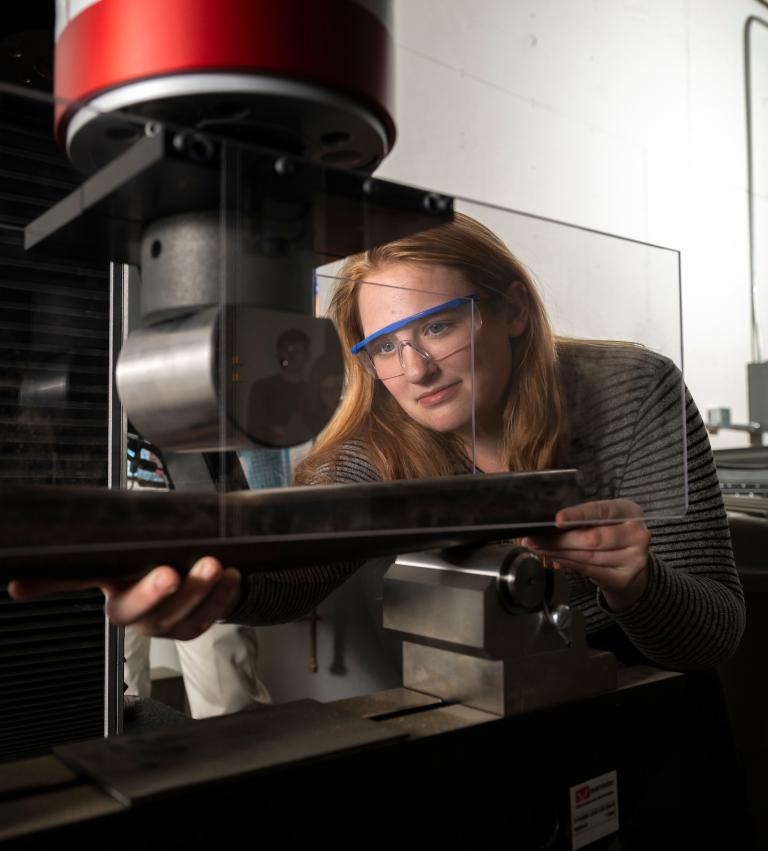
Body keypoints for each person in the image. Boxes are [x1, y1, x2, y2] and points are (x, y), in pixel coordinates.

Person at [9, 212, 745, 672]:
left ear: (513, 309)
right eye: (384, 345)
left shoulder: (631, 389)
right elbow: (294, 570)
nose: (414, 367)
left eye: (437, 326)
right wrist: (201, 571)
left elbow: (715, 637)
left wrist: (638, 584)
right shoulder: (383, 437)